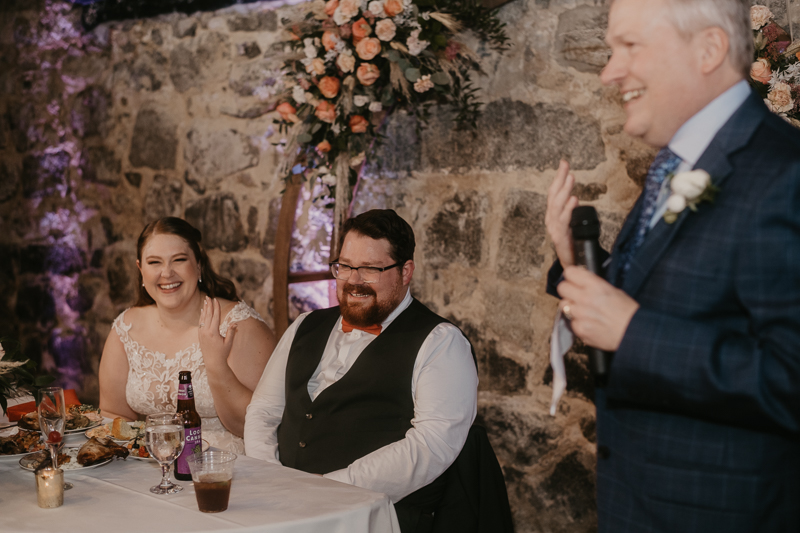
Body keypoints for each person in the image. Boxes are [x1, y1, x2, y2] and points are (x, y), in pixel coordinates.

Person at [545, 0, 800, 531]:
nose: (609, 71)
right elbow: (667, 301)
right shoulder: (676, 164)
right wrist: (574, 264)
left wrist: (632, 332)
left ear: (708, 49)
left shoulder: (783, 173)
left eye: (629, 46)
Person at [244, 209, 479, 532]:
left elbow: (431, 445)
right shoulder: (305, 324)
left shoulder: (441, 343)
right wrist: (271, 475)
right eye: (345, 267)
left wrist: (332, 487)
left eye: (369, 269)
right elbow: (264, 410)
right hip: (283, 510)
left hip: (375, 518)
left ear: (405, 271)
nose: (353, 281)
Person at [99, 217, 276, 453]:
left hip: (227, 471)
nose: (167, 273)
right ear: (141, 269)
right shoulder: (126, 328)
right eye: (154, 262)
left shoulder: (239, 325)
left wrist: (216, 364)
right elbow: (114, 417)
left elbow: (257, 426)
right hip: (152, 470)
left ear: (199, 265)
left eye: (179, 260)